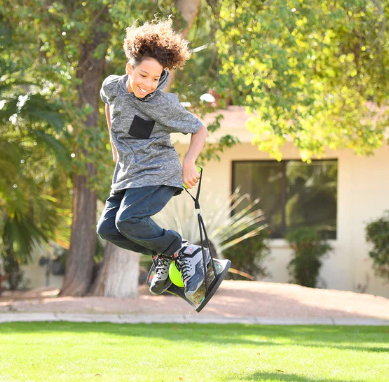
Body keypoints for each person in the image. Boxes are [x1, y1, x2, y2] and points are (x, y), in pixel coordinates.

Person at [96, 18, 210, 298]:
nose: (148, 84)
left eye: (156, 78)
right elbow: (109, 105)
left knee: (128, 220)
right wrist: (114, 142)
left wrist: (189, 162)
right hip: (127, 175)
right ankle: (166, 254)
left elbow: (200, 129)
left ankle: (183, 250)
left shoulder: (161, 104)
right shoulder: (112, 86)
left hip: (159, 171)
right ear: (129, 69)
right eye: (143, 75)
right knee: (108, 229)